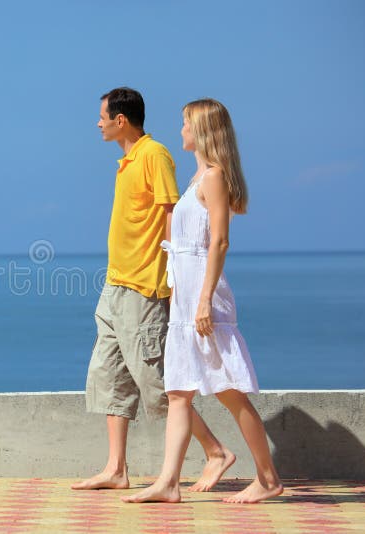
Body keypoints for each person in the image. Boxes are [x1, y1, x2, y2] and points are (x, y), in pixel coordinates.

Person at [72, 88, 235, 493]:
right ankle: (116, 468)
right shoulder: (126, 161)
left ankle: (215, 451)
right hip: (116, 285)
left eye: (103, 116)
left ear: (121, 120)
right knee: (109, 375)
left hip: (145, 288)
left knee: (157, 382)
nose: (98, 123)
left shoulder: (154, 155)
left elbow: (170, 216)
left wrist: (172, 280)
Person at [121, 98, 283, 504]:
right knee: (178, 392)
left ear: (203, 130)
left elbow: (219, 242)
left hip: (203, 298)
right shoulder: (198, 180)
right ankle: (169, 482)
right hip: (186, 297)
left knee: (229, 391)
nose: (181, 132)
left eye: (185, 125)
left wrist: (205, 300)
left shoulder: (213, 178)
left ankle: (267, 478)